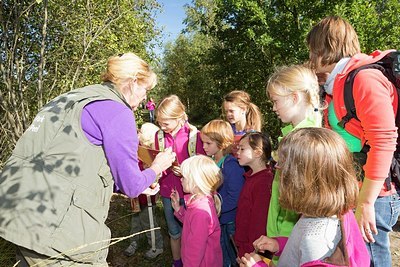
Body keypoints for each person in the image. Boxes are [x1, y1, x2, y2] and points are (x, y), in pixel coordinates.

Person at [0, 52, 176, 266]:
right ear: (132, 82)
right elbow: (131, 186)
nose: (145, 98)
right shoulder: (117, 111)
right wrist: (157, 167)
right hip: (55, 232)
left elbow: (72, 164)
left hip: (17, 213)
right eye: (145, 89)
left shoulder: (69, 99)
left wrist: (140, 180)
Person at [306, 16, 400, 267]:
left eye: (311, 50)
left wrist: (366, 203)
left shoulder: (364, 79)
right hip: (356, 193)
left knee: (369, 261)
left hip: (375, 196)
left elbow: (383, 141)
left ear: (323, 48)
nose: (310, 58)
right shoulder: (337, 84)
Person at [240, 128, 370, 267]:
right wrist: (280, 244)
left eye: (282, 164)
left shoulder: (316, 241)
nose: (277, 168)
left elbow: (310, 250)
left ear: (300, 180)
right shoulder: (328, 214)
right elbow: (302, 253)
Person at [265, 64, 322, 265]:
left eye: (275, 101)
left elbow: (300, 199)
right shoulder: (293, 133)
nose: (273, 108)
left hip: (290, 233)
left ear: (295, 97)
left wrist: (280, 236)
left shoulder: (304, 140)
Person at [154, 94, 206, 267]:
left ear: (179, 118)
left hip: (190, 192)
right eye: (159, 123)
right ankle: (177, 262)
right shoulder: (159, 136)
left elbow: (201, 162)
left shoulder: (194, 136)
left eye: (166, 123)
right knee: (174, 231)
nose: (162, 126)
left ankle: (192, 261)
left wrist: (185, 170)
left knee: (192, 231)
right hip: (168, 191)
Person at [201, 119, 245, 267]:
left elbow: (234, 197)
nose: (203, 146)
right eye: (203, 142)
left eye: (208, 143)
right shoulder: (213, 161)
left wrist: (215, 209)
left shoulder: (231, 166)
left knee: (231, 256)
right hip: (218, 218)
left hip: (228, 221)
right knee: (220, 254)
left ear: (222, 143)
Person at [170, 155, 223, 267]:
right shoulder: (200, 201)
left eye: (184, 177)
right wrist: (179, 210)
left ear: (195, 181)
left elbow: (195, 250)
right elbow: (192, 226)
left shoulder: (200, 211)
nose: (181, 179)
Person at [124, 122, 164, 259]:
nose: (138, 133)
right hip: (136, 195)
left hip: (147, 196)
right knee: (135, 220)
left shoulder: (150, 154)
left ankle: (156, 245)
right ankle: (134, 241)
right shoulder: (135, 150)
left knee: (149, 221)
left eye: (141, 131)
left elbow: (154, 174)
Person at [235, 132, 274, 258]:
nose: (238, 152)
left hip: (252, 250)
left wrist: (250, 251)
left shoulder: (263, 182)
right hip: (244, 245)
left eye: (242, 149)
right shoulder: (252, 176)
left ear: (257, 152)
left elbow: (259, 222)